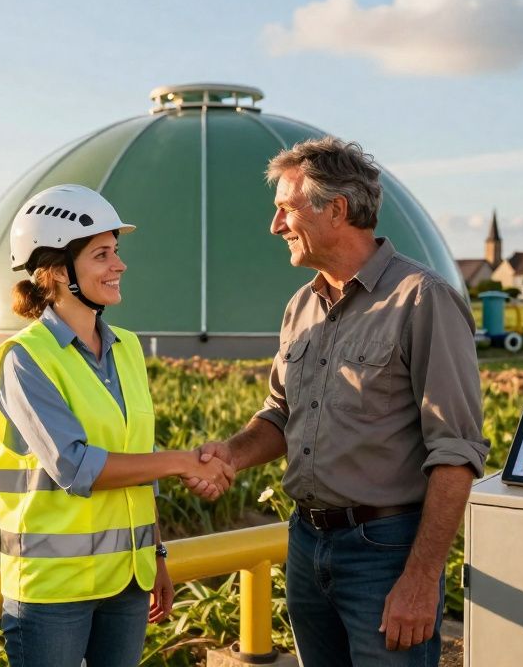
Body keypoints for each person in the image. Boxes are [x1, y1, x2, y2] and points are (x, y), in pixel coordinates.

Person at [188, 137, 489, 667]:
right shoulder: (301, 306)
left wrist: (420, 580)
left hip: (386, 551)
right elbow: (280, 414)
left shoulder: (422, 299)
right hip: (307, 544)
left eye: (286, 209)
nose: (275, 226)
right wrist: (232, 454)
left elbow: (456, 451)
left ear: (338, 209)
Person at [0, 184, 234, 667]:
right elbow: (76, 466)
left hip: (128, 582)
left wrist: (157, 556)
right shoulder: (24, 360)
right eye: (102, 255)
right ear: (56, 271)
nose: (119, 266)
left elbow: (138, 459)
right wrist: (185, 462)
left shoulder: (128, 349)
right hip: (54, 591)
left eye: (116, 252)